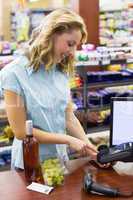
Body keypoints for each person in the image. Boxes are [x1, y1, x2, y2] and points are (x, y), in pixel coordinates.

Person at [1, 8, 98, 170]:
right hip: (29, 166)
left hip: (59, 162)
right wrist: (68, 139)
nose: (72, 52)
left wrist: (89, 147)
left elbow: (68, 116)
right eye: (70, 44)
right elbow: (20, 131)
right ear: (51, 34)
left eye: (76, 46)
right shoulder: (13, 74)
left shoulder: (60, 71)